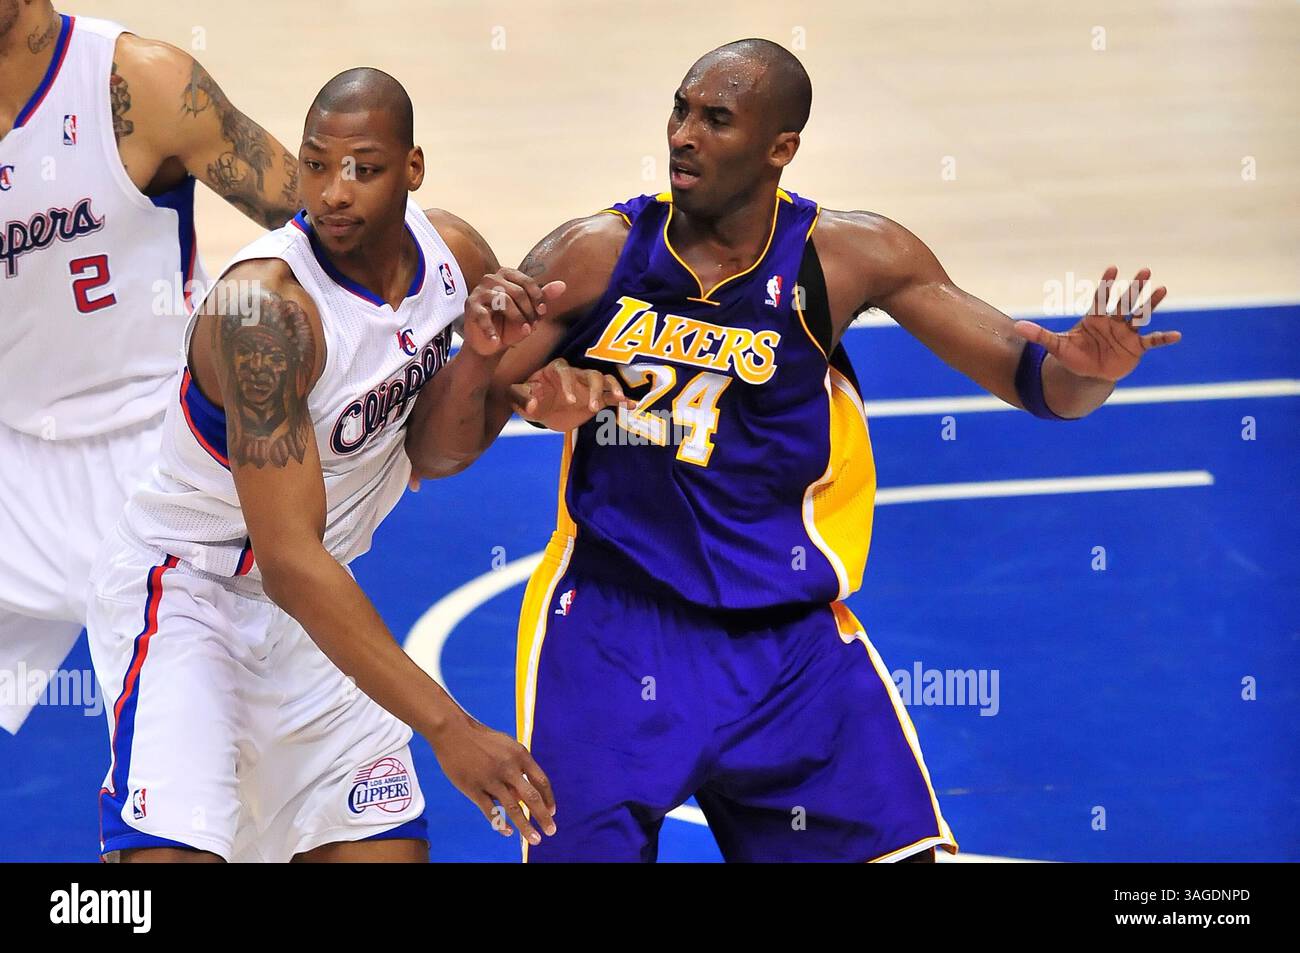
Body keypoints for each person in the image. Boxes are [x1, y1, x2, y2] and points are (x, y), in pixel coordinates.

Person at [482, 38, 1180, 862]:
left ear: (782, 148)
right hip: (612, 629)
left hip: (787, 648)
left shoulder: (851, 257)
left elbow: (1037, 382)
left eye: (715, 119)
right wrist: (531, 398)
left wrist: (1089, 372)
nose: (683, 135)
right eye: (680, 110)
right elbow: (465, 422)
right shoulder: (599, 251)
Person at [86, 67, 622, 862]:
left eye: (364, 169)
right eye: (315, 165)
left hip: (319, 608)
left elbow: (432, 456)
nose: (334, 192)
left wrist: (485, 373)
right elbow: (289, 561)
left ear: (413, 170)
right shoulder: (264, 315)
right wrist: (450, 725)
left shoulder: (454, 259)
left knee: (381, 850)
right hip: (191, 594)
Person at [0, 0, 300, 734]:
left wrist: (401, 380)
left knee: (204, 784)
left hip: (160, 462)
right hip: (12, 456)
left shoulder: (139, 84)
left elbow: (322, 232)